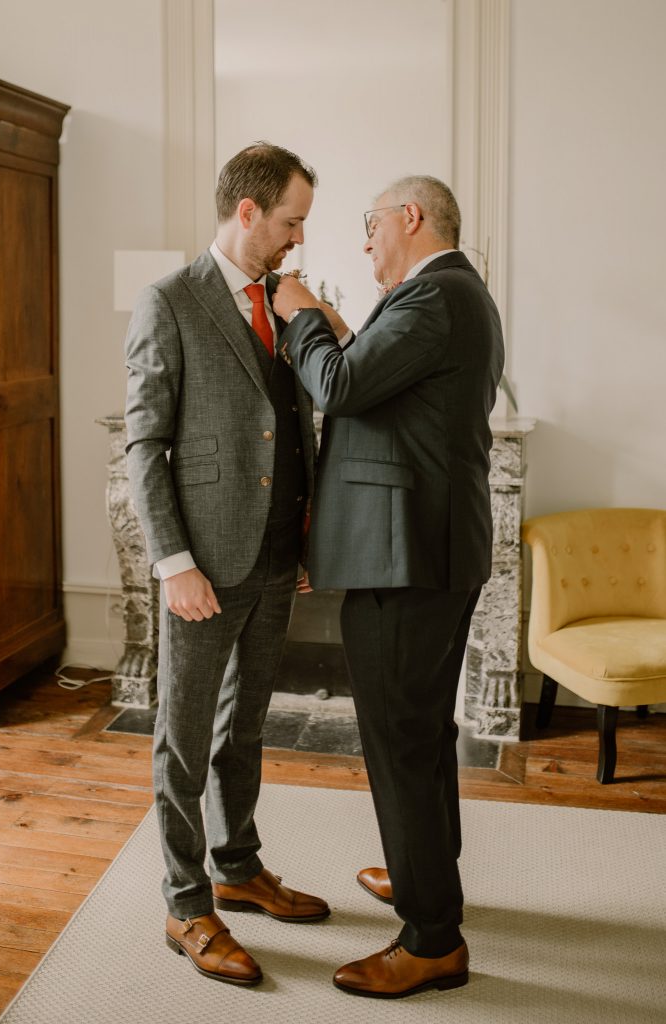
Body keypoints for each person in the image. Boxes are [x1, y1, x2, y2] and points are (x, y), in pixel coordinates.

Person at [273, 175, 504, 999]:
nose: (364, 240)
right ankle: (426, 882)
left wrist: (300, 308)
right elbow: (377, 385)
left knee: (399, 741)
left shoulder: (432, 299)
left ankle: (432, 938)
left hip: (406, 561)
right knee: (423, 734)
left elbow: (336, 386)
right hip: (427, 554)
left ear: (410, 217)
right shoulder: (448, 296)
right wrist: (337, 328)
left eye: (369, 225)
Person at [124, 142, 330, 988]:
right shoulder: (169, 300)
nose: (297, 240)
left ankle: (238, 867)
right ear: (247, 212)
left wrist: (308, 533)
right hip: (202, 564)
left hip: (278, 554)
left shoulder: (286, 302)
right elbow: (145, 446)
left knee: (245, 727)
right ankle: (186, 904)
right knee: (182, 739)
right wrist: (173, 562)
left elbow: (292, 425)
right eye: (290, 222)